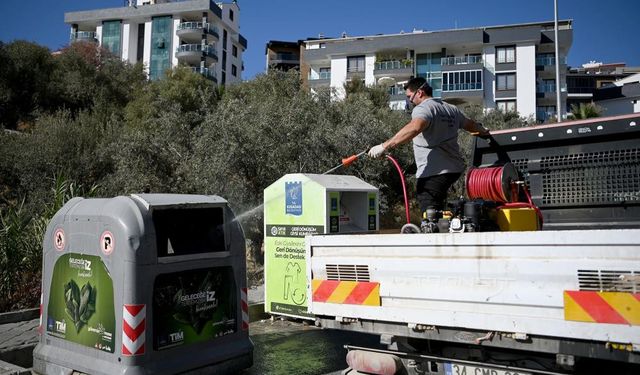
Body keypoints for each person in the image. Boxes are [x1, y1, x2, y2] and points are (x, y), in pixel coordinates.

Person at [368, 77, 490, 216]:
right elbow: (471, 125)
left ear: (419, 93)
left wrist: (384, 146)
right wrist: (485, 132)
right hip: (454, 170)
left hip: (433, 172)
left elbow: (415, 127)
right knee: (440, 211)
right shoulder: (451, 109)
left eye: (409, 97)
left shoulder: (423, 108)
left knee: (430, 215)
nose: (410, 101)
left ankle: (432, 235)